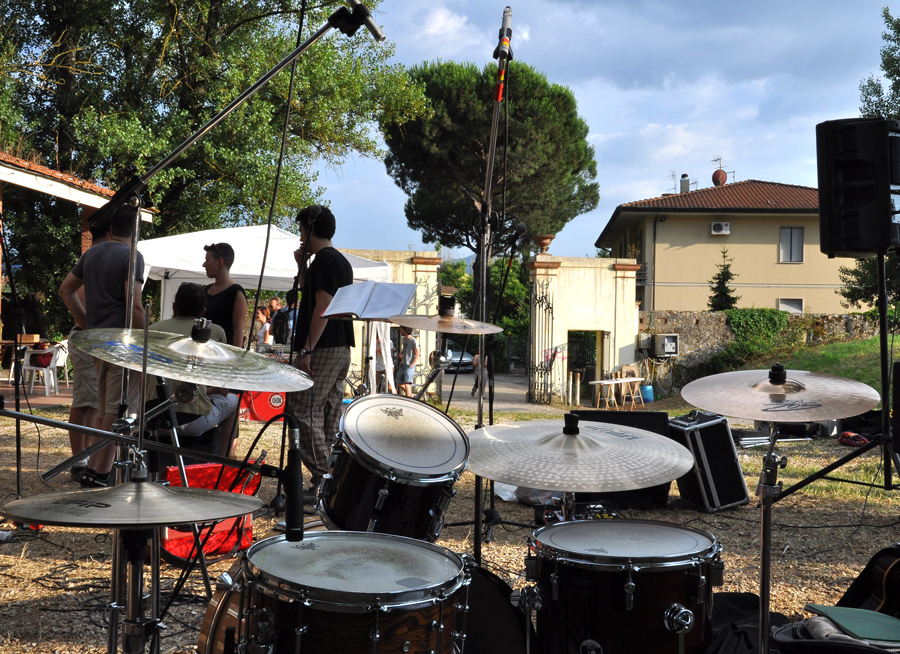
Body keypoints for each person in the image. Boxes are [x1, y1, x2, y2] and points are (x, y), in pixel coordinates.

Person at [59, 204, 145, 488]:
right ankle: (100, 474)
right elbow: (134, 305)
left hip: (97, 343)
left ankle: (92, 469)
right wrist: (145, 343)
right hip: (121, 343)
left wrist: (86, 324)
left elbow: (66, 290)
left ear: (110, 229)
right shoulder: (132, 256)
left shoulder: (91, 254)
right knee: (115, 410)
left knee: (101, 409)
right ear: (136, 231)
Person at [284, 205, 354, 503]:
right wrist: (302, 266)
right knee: (327, 415)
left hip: (323, 346)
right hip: (341, 346)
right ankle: (327, 486)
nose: (301, 237)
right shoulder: (339, 260)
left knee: (301, 409)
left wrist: (307, 349)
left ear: (310, 229)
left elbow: (322, 307)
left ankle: (328, 484)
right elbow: (310, 292)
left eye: (301, 230)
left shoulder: (325, 259)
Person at [147, 282, 237, 456]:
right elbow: (223, 390)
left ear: (174, 307)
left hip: (153, 419)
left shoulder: (152, 330)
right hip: (194, 422)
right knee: (234, 401)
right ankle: (222, 462)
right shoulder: (214, 331)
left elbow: (141, 385)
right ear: (203, 311)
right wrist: (201, 391)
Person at [63, 216, 111, 481]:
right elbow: (70, 293)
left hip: (94, 340)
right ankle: (81, 461)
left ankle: (86, 459)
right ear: (111, 233)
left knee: (92, 402)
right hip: (86, 339)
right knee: (89, 402)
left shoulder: (95, 258)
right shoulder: (92, 259)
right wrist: (87, 326)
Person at [202, 242, 247, 348]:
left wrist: (234, 356)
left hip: (225, 353)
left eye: (207, 260)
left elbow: (238, 330)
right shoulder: (207, 290)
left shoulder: (236, 293)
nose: (204, 264)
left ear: (220, 261)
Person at [396, 326, 419, 398]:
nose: (400, 331)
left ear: (405, 330)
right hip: (403, 364)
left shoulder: (413, 341)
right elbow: (404, 349)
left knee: (407, 383)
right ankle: (411, 395)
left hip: (409, 365)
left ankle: (408, 397)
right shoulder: (404, 339)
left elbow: (417, 354)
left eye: (401, 329)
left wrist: (411, 365)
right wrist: (401, 354)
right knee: (399, 382)